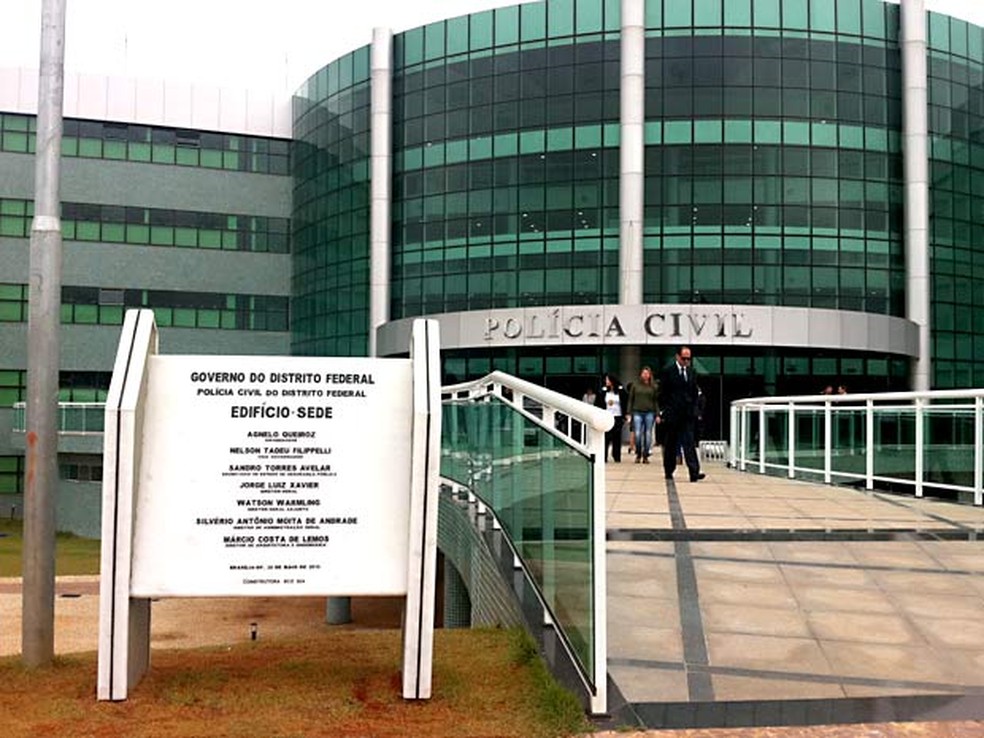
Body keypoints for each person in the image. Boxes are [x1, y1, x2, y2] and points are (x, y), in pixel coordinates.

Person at [658, 345, 704, 482]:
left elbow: (694, 392)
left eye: (688, 359)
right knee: (671, 444)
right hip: (672, 414)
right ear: (677, 357)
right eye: (684, 358)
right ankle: (669, 470)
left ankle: (694, 472)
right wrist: (664, 410)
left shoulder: (692, 372)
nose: (686, 361)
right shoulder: (668, 372)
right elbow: (662, 393)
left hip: (687, 414)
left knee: (689, 443)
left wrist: (695, 409)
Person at [627, 366, 659, 464]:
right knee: (637, 433)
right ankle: (638, 453)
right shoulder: (635, 386)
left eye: (647, 373)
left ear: (650, 375)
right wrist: (628, 413)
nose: (645, 375)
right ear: (641, 374)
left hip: (649, 412)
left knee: (648, 434)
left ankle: (645, 455)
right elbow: (630, 400)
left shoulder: (654, 387)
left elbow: (656, 401)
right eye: (643, 373)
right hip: (637, 411)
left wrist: (657, 414)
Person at [596, 373, 627, 463]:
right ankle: (604, 456)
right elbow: (598, 403)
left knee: (617, 438)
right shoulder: (603, 391)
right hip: (606, 417)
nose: (606, 382)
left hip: (617, 417)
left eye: (608, 380)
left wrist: (625, 415)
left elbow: (625, 402)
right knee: (606, 437)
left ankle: (617, 456)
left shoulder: (620, 391)